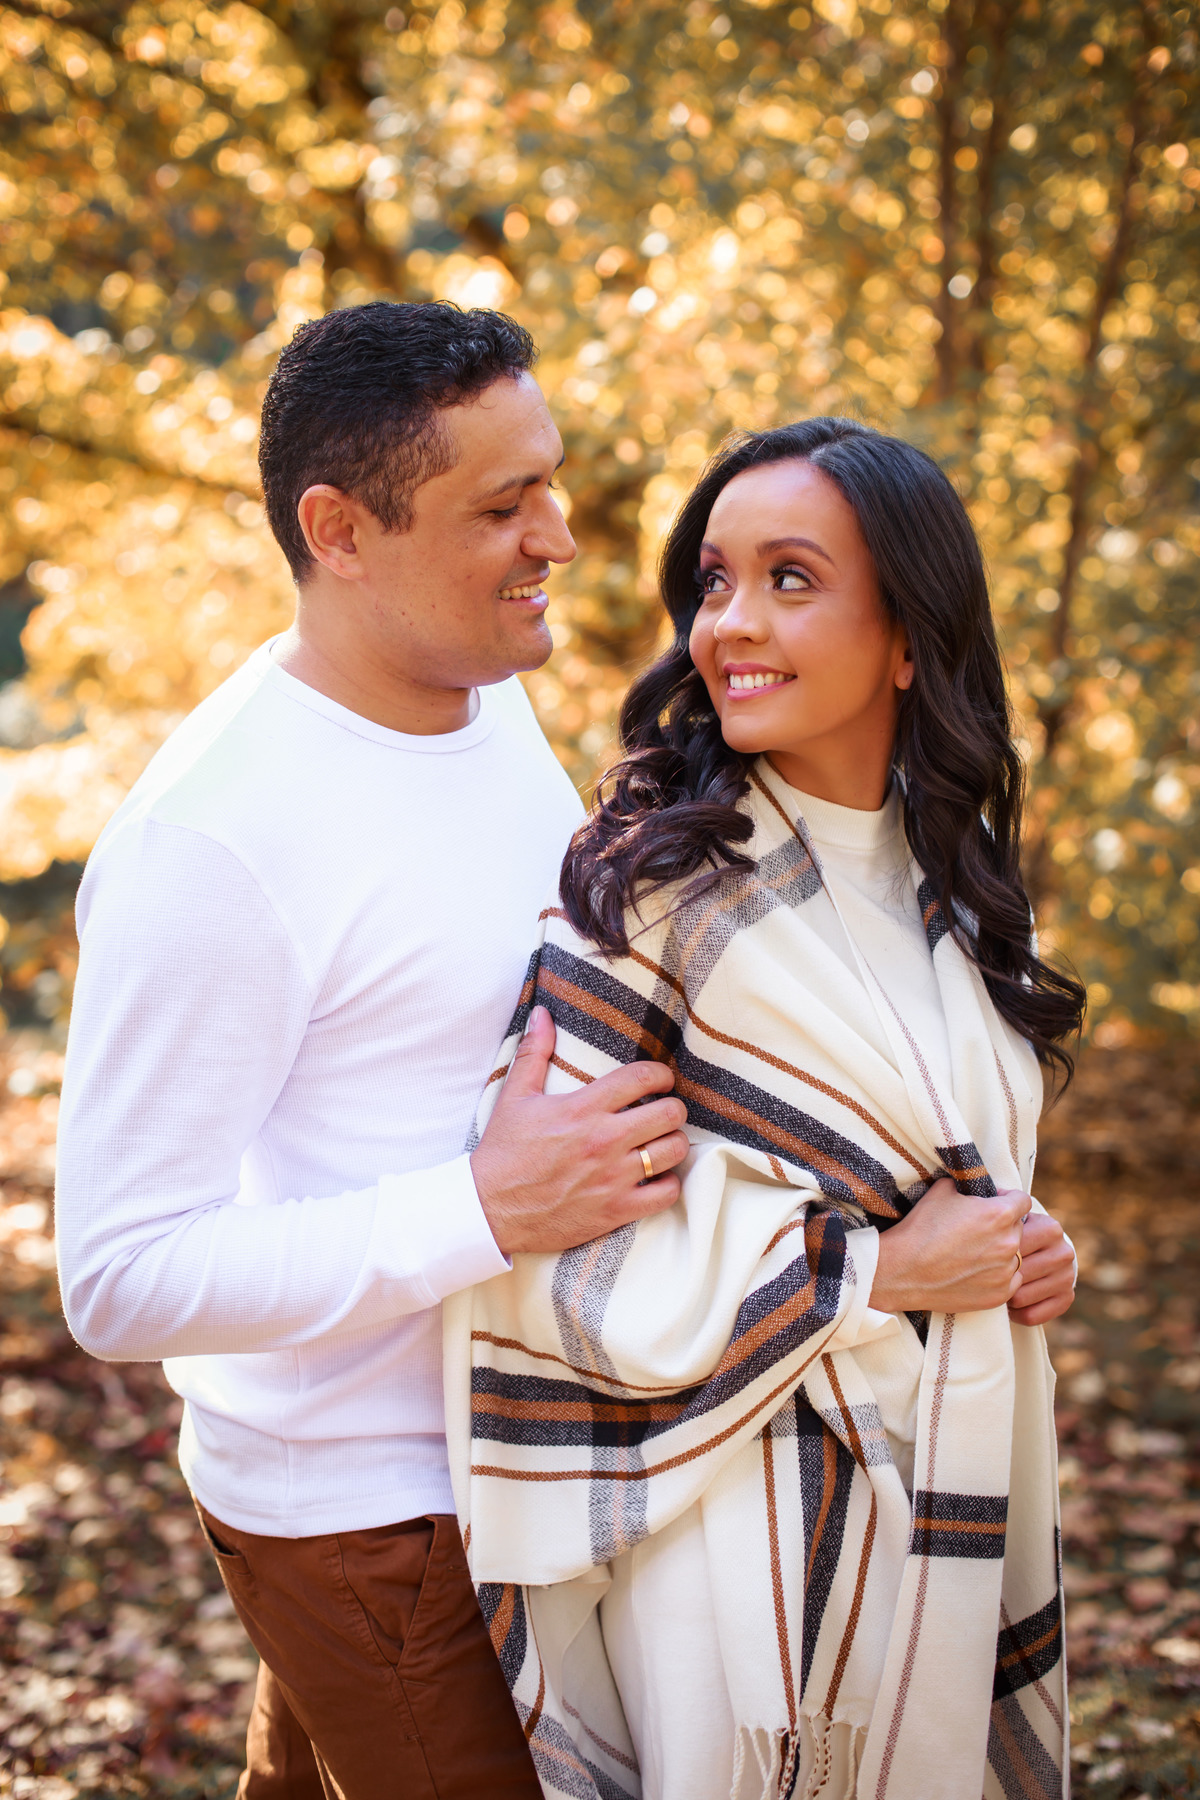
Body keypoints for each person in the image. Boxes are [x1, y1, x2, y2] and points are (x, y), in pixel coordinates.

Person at [53, 301, 692, 1800]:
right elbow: (118, 1277)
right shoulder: (211, 843)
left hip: (526, 1452)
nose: (558, 539)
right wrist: (482, 1208)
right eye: (501, 506)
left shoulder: (483, 693)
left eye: (550, 484)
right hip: (371, 1517)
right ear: (339, 531)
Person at [445, 418, 1081, 1800]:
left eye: (791, 579)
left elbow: (948, 1159)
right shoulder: (651, 897)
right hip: (734, 1543)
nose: (731, 622)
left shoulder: (966, 892)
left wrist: (1027, 1246)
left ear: (908, 637)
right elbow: (553, 1263)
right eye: (716, 581)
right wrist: (876, 1274)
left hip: (950, 1495)